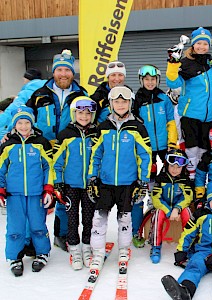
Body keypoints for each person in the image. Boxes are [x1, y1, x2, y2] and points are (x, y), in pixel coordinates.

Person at [26, 49, 88, 252]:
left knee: (63, 195)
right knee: (38, 194)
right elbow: (24, 116)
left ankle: (62, 235)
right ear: (53, 72)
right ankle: (33, 237)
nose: (63, 74)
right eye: (59, 70)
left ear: (73, 73)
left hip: (69, 152)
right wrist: (8, 133)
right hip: (43, 152)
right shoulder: (39, 94)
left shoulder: (81, 94)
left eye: (67, 70)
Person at [87, 86, 152, 270]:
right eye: (117, 101)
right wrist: (92, 177)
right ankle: (98, 252)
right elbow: (96, 154)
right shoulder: (103, 127)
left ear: (130, 103)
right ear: (111, 103)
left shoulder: (137, 127)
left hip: (128, 183)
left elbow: (145, 155)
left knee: (125, 219)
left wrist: (142, 181)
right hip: (105, 183)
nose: (120, 104)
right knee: (99, 218)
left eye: (124, 101)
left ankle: (124, 249)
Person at [161, 179, 212, 300]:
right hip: (202, 251)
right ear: (208, 202)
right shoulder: (200, 214)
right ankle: (184, 291)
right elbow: (188, 233)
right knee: (194, 266)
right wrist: (181, 250)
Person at [0, 106, 54, 276]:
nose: (24, 126)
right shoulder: (8, 145)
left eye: (27, 122)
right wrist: (1, 189)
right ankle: (14, 257)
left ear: (32, 123)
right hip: (14, 194)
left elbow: (48, 167)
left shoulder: (40, 143)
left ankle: (42, 252)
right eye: (20, 123)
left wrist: (48, 188)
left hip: (36, 193)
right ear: (14, 125)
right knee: (15, 227)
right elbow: (1, 169)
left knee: (38, 225)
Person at [131, 64, 178, 247]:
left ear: (157, 80)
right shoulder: (136, 100)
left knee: (167, 178)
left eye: (153, 79)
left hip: (164, 146)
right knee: (145, 180)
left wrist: (172, 143)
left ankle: (163, 208)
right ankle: (139, 225)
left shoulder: (163, 99)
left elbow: (171, 121)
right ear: (141, 81)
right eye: (146, 80)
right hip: (146, 148)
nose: (150, 83)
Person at [52, 96, 98, 270]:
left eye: (88, 113)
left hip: (89, 185)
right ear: (74, 114)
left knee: (89, 218)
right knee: (72, 219)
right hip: (70, 185)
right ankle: (74, 248)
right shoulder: (65, 134)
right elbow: (57, 162)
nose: (84, 116)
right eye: (80, 113)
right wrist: (58, 183)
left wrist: (97, 179)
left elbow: (100, 157)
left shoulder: (96, 134)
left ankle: (86, 247)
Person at [166, 27, 212, 180]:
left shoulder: (210, 62)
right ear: (193, 45)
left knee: (204, 148)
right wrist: (173, 63)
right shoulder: (186, 63)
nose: (202, 46)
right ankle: (191, 175)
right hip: (190, 114)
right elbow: (172, 82)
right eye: (198, 43)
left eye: (205, 43)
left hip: (207, 116)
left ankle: (201, 177)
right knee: (191, 148)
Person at [149, 149, 193, 264]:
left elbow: (187, 197)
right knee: (158, 214)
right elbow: (156, 199)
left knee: (188, 213)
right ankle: (155, 246)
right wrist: (169, 211)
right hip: (164, 206)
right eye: (172, 166)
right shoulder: (161, 178)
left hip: (179, 207)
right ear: (166, 164)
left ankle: (189, 245)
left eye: (178, 167)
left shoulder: (185, 179)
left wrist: (177, 208)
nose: (175, 169)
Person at [0, 68, 46, 136]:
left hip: (32, 133)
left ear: (27, 79)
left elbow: (11, 111)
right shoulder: (50, 90)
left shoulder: (26, 93)